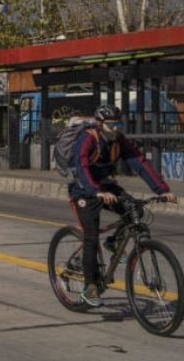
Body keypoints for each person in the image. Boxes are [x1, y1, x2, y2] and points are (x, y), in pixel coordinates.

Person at [67, 104, 175, 307]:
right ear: (100, 125)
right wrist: (95, 191)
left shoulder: (119, 140)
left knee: (135, 208)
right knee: (91, 237)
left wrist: (162, 190)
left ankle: (114, 242)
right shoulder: (88, 138)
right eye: (110, 124)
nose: (115, 128)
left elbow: (139, 162)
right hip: (82, 190)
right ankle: (89, 287)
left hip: (105, 186)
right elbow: (81, 167)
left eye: (118, 124)